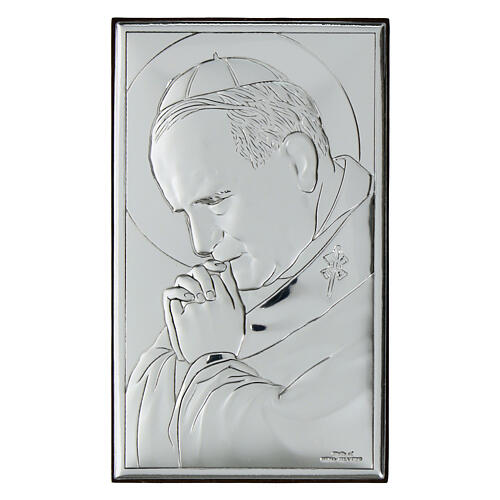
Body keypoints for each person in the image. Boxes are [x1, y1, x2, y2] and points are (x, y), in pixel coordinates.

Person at [126, 54, 374, 468]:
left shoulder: (381, 278)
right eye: (185, 213)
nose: (201, 244)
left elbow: (326, 455)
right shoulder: (215, 297)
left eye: (215, 200)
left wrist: (211, 363)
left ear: (300, 163)